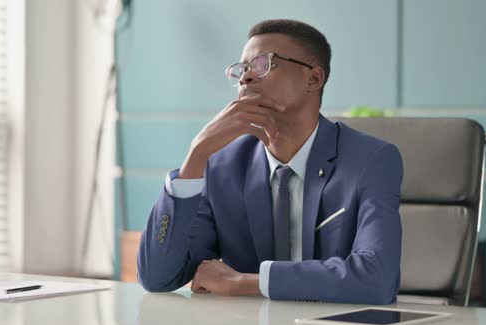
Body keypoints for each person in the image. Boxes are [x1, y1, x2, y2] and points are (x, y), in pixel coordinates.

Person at [137, 19, 403, 304]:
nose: (245, 78)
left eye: (263, 63)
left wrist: (243, 282)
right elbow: (158, 277)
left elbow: (377, 279)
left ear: (313, 78)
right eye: (242, 69)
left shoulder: (371, 160)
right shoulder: (221, 166)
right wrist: (196, 155)